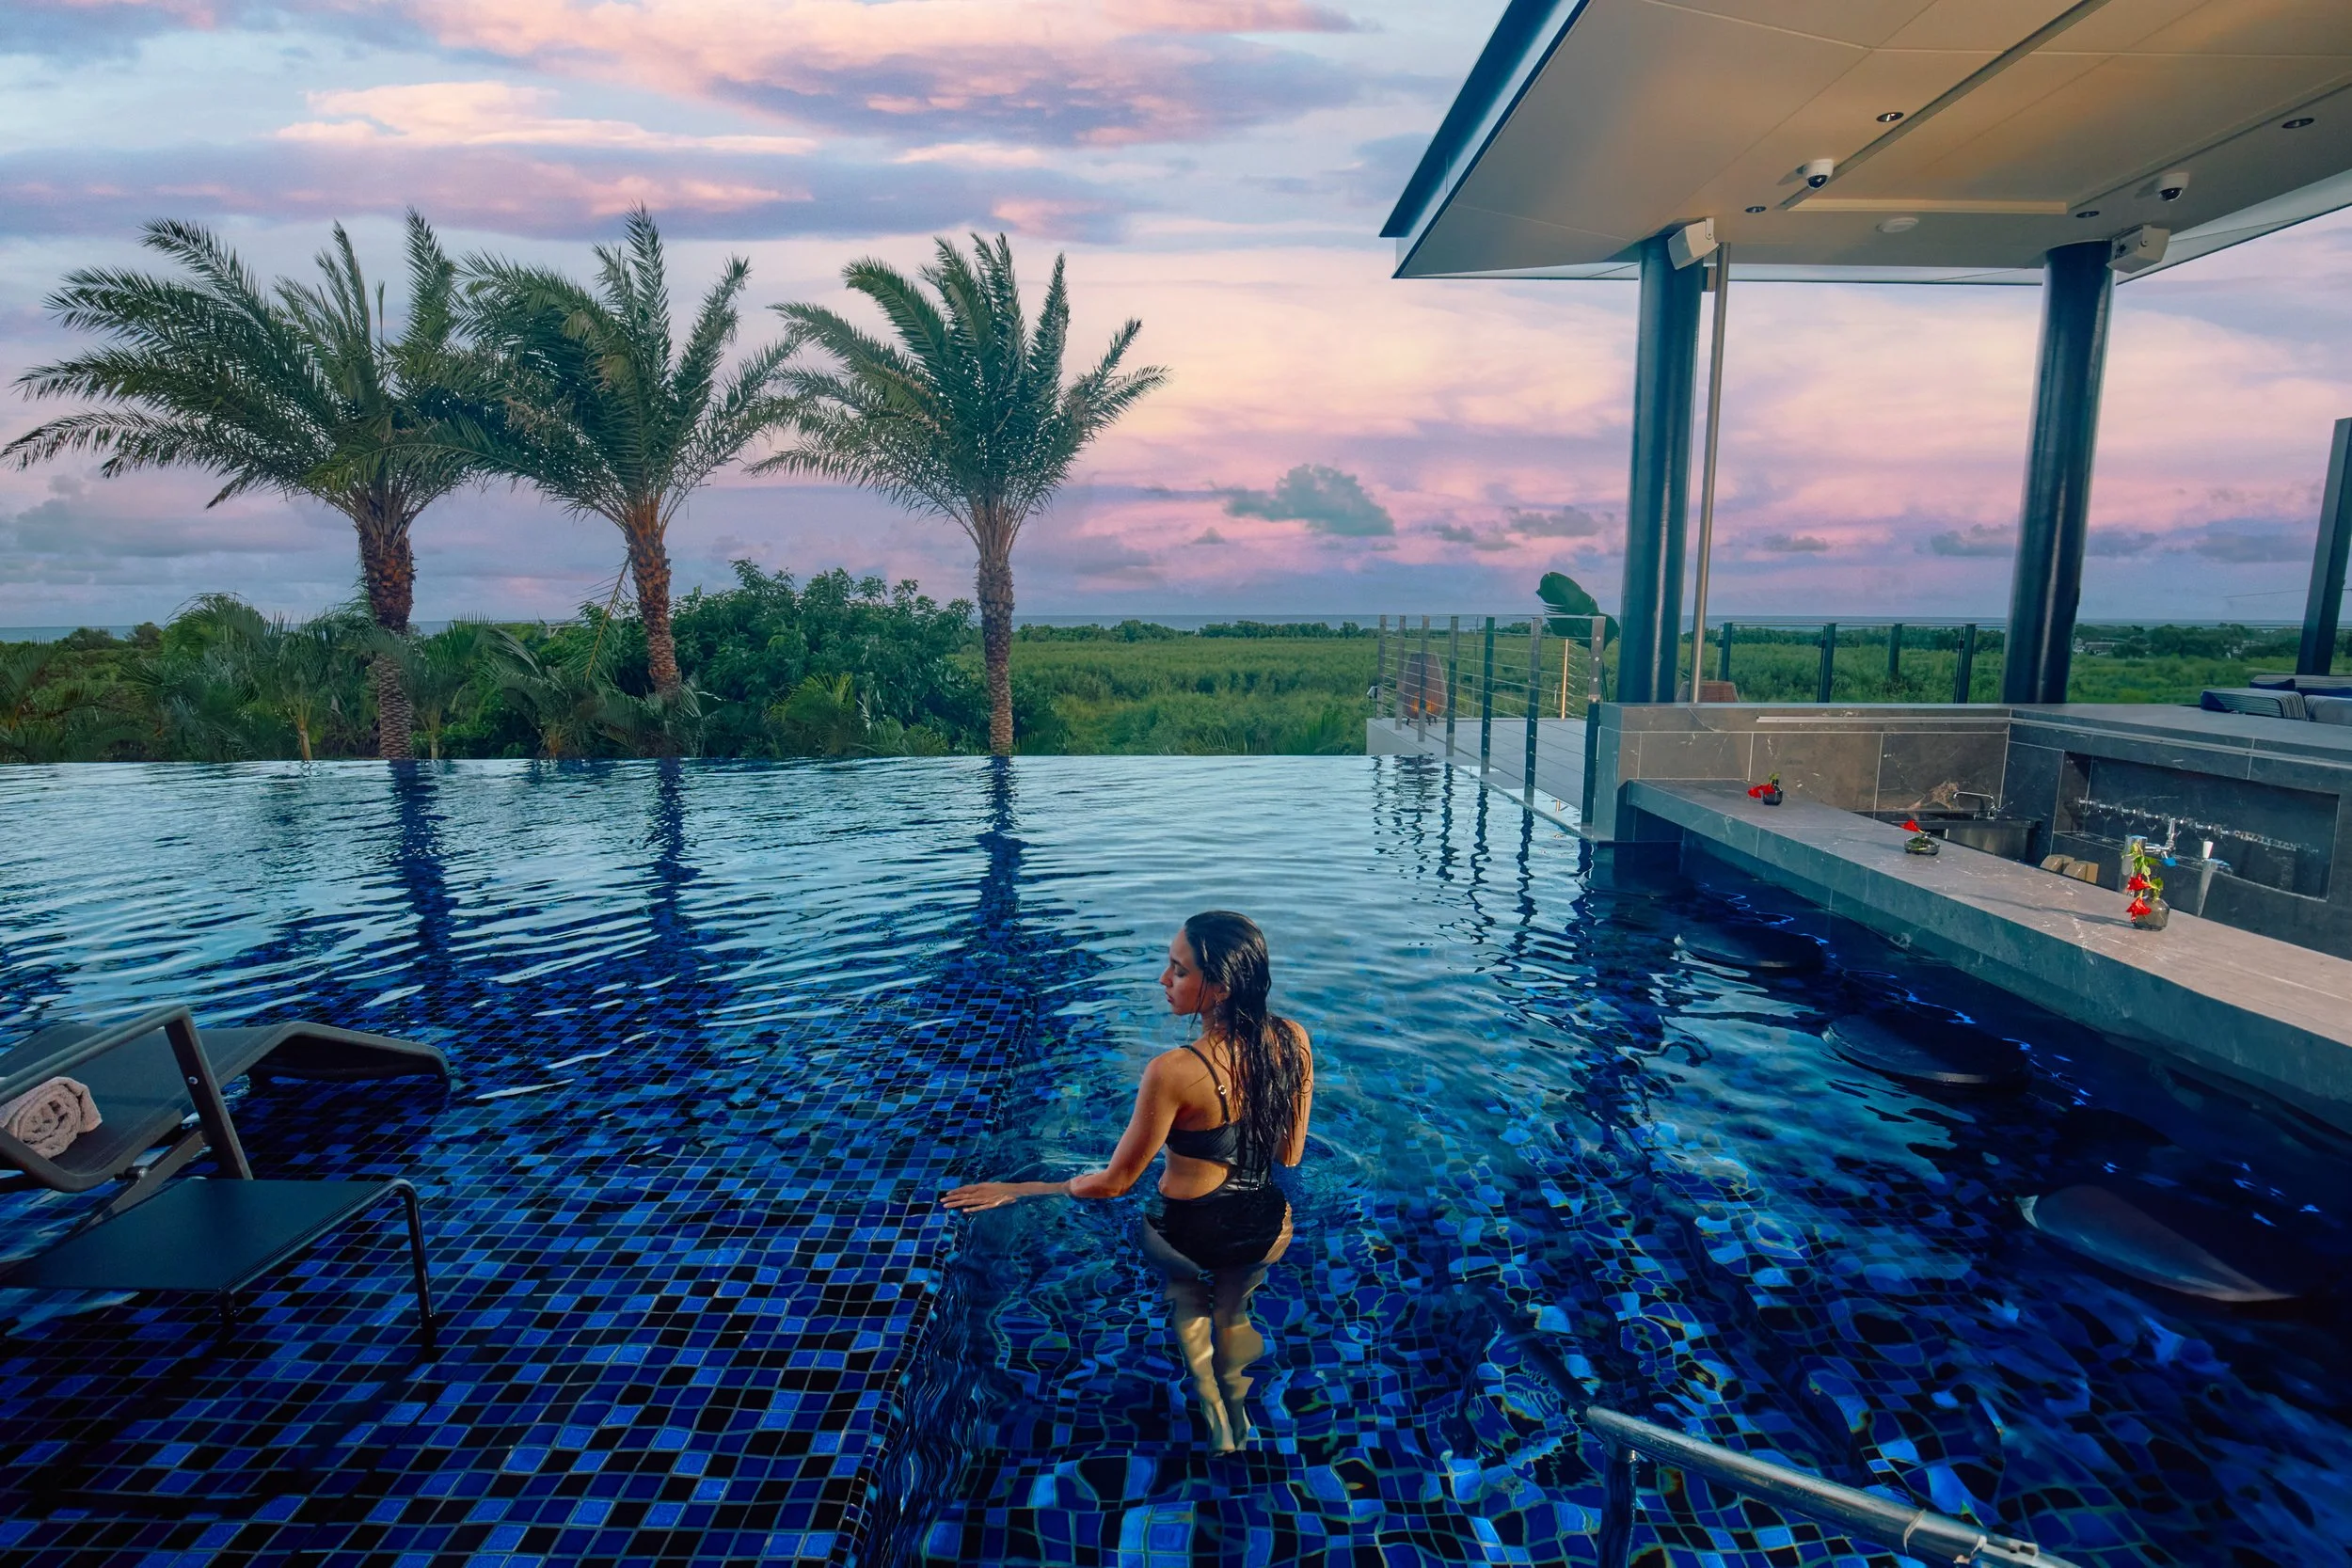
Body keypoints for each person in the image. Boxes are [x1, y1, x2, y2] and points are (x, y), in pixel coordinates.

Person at [942, 910, 1314, 1452]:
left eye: (1179, 971)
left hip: (1186, 1235)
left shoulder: (1172, 1070)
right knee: (1235, 1311)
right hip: (1268, 1230)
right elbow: (1291, 1154)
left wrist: (1025, 1189)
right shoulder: (1295, 1040)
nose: (1164, 981)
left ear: (1220, 987)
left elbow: (1114, 1185)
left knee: (1187, 1299)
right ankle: (1241, 1411)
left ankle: (1213, 1410)